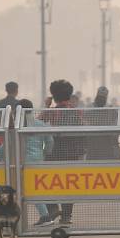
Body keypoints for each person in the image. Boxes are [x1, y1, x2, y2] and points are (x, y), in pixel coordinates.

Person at [0, 99, 55, 226]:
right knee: (34, 188)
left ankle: (44, 216)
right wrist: (44, 153)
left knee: (17, 189)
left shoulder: (16, 126)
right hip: (38, 161)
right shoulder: (40, 124)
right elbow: (50, 141)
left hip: (21, 162)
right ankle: (42, 216)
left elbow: (6, 145)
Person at [40, 79, 87, 225]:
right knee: (69, 183)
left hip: (54, 151)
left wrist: (46, 107)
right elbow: (84, 128)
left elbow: (37, 123)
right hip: (72, 151)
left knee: (48, 181)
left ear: (54, 96)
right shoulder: (77, 111)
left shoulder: (53, 112)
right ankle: (66, 216)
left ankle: (53, 208)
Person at [85, 86, 120, 160]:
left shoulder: (111, 109)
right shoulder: (89, 108)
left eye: (103, 96)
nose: (102, 98)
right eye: (100, 95)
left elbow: (119, 125)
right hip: (92, 145)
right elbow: (84, 124)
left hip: (107, 144)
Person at [0, 81, 20, 149]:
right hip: (15, 136)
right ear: (16, 90)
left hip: (0, 135)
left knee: (1, 155)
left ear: (6, 90)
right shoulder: (19, 104)